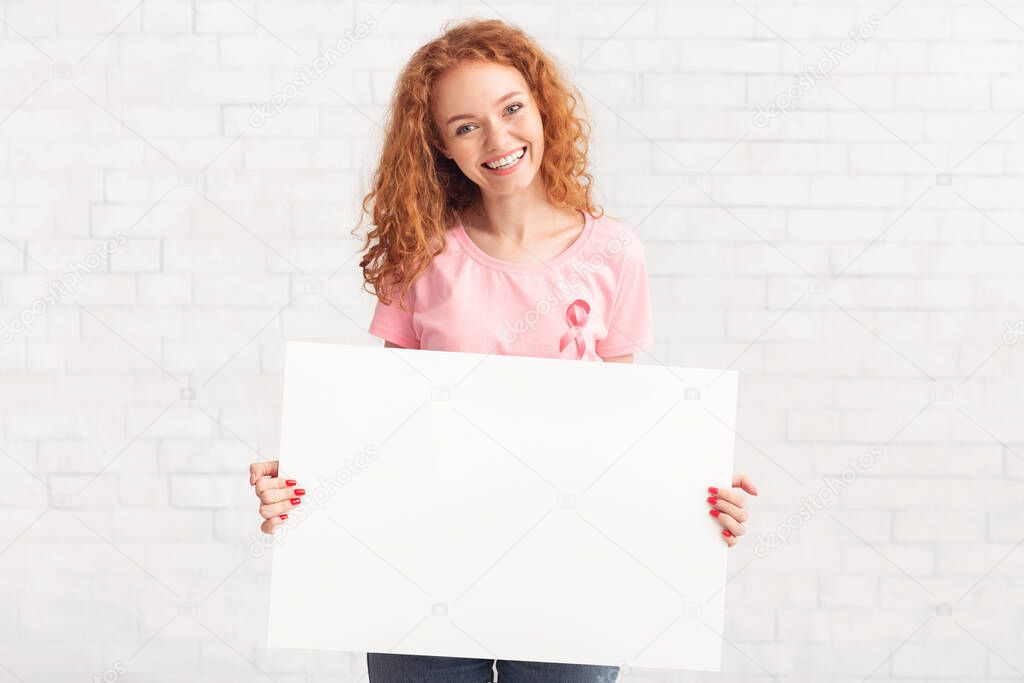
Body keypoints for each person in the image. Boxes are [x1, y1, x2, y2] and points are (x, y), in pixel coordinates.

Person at [248, 17, 759, 682]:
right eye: (466, 126)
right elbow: (382, 423)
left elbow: (624, 431)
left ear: (541, 108)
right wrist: (306, 482)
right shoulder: (424, 257)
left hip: (571, 581)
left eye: (511, 108)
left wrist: (698, 499)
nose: (497, 138)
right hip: (422, 566)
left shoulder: (614, 254)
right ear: (441, 147)